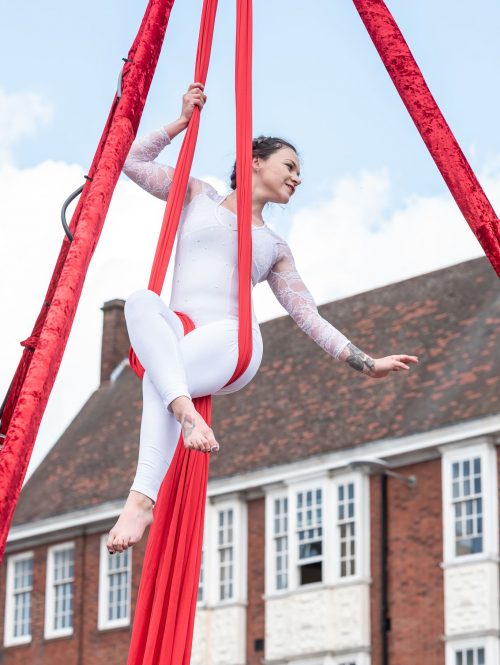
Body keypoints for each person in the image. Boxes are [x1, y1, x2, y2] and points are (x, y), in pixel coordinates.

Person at [107, 83, 418, 554]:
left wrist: (366, 362)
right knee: (139, 302)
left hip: (233, 344)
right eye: (290, 166)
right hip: (178, 336)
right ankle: (184, 418)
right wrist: (179, 123)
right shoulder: (197, 195)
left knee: (160, 376)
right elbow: (129, 162)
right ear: (254, 161)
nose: (297, 178)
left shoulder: (274, 247)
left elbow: (307, 316)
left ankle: (141, 496)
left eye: (298, 172)